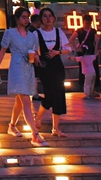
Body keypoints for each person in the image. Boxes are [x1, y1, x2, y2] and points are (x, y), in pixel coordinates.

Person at [0, 7, 45, 147]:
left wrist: (36, 57)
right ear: (17, 19)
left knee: (20, 100)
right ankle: (34, 134)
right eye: (23, 17)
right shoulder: (10, 33)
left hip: (28, 68)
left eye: (27, 17)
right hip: (17, 67)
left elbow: (35, 51)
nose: (26, 20)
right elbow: (3, 50)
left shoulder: (32, 35)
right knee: (26, 100)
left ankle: (12, 125)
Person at [34, 7, 71, 137]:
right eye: (45, 16)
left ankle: (55, 128)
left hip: (57, 66)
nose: (48, 18)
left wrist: (58, 52)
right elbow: (32, 49)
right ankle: (38, 116)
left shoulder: (58, 31)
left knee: (59, 95)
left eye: (50, 16)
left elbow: (68, 48)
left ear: (54, 18)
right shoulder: (36, 33)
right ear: (41, 19)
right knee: (50, 95)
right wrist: (36, 56)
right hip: (44, 67)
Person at [72, 13, 100, 100]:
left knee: (94, 72)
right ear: (83, 22)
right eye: (86, 23)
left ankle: (93, 90)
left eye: (89, 23)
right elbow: (71, 39)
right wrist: (76, 49)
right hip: (83, 54)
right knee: (85, 72)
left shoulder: (93, 31)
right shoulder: (79, 31)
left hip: (91, 53)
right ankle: (87, 90)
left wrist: (96, 51)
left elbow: (96, 41)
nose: (87, 24)